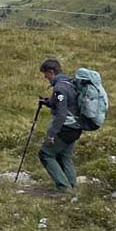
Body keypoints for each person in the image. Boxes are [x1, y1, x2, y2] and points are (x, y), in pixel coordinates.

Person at [37, 57, 81, 194]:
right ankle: (72, 186)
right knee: (64, 155)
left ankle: (63, 188)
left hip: (65, 128)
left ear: (51, 71)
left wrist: (51, 134)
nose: (45, 77)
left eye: (46, 73)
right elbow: (67, 104)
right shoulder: (70, 83)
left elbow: (61, 114)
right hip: (76, 127)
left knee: (46, 154)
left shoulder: (59, 88)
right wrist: (48, 102)